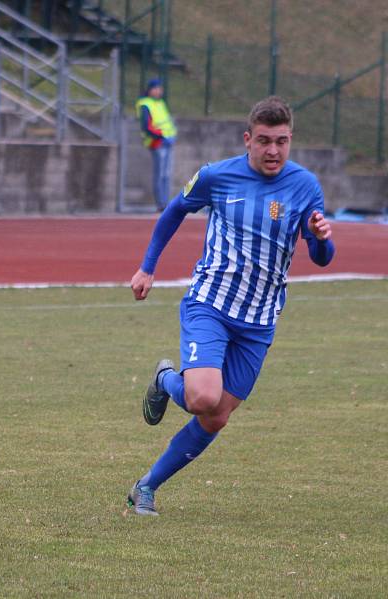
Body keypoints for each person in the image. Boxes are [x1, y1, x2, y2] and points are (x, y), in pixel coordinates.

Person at [127, 96, 335, 516]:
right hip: (212, 305)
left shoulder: (305, 186)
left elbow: (321, 257)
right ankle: (168, 379)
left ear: (290, 139)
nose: (273, 150)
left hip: (259, 321)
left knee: (216, 416)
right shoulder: (216, 177)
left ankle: (146, 486)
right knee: (204, 397)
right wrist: (147, 268)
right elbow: (174, 212)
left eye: (281, 141)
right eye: (264, 141)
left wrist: (322, 236)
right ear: (247, 140)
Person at [135, 78, 177, 211]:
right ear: (151, 89)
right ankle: (161, 204)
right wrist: (160, 136)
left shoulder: (160, 103)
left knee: (166, 174)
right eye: (157, 88)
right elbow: (146, 126)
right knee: (160, 175)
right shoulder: (145, 104)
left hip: (168, 141)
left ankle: (165, 202)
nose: (160, 91)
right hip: (158, 142)